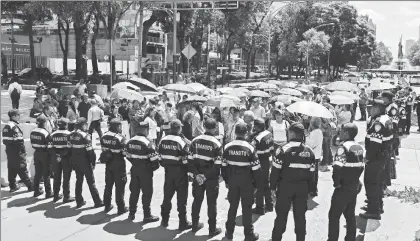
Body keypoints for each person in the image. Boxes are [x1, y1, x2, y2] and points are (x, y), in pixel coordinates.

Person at [270, 122, 315, 241]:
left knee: (281, 217)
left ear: (291, 133)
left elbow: (275, 171)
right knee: (300, 218)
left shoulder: (282, 150)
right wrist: (311, 191)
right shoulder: (309, 151)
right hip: (302, 189)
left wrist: (272, 188)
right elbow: (312, 174)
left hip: (285, 188)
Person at [222, 122, 261, 241]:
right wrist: (256, 185)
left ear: (235, 132)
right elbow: (256, 169)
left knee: (232, 207)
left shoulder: (227, 146)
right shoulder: (250, 148)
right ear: (246, 133)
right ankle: (249, 234)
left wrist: (227, 181)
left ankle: (229, 233)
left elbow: (223, 167)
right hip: (247, 182)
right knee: (247, 208)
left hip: (233, 181)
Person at [327, 123, 364, 241]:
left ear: (347, 134)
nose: (340, 134)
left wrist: (336, 183)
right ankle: (350, 238)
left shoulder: (343, 148)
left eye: (341, 131)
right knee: (350, 215)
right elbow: (361, 166)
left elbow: (337, 168)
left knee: (334, 215)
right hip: (354, 185)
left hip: (343, 187)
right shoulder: (359, 147)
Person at [187, 118, 223, 237]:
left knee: (197, 201)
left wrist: (198, 175)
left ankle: (194, 225)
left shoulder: (195, 141)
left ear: (204, 127)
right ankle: (212, 229)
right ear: (215, 128)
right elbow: (217, 166)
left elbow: (190, 161)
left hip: (198, 178)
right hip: (211, 179)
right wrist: (206, 176)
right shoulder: (217, 143)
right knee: (211, 204)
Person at [360, 99, 393, 220]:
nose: (369, 110)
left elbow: (374, 145)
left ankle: (373, 211)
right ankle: (378, 205)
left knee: (371, 182)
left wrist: (368, 158)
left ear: (378, 108)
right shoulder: (386, 118)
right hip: (383, 155)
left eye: (372, 108)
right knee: (378, 182)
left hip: (376, 157)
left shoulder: (378, 123)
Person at [158, 119, 192, 231]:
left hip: (168, 172)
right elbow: (187, 159)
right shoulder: (181, 142)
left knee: (167, 197)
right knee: (181, 200)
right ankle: (183, 222)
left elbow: (160, 158)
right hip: (180, 173)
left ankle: (164, 220)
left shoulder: (163, 140)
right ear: (179, 129)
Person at [125, 121, 160, 222]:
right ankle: (147, 215)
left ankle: (131, 214)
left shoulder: (130, 141)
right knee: (147, 193)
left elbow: (127, 156)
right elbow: (155, 161)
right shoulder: (148, 143)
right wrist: (150, 168)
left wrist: (136, 163)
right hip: (146, 171)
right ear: (145, 130)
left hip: (135, 169)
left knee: (134, 192)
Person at [68, 117, 104, 208]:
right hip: (85, 161)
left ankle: (79, 201)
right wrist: (93, 162)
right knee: (91, 182)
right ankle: (97, 201)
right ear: (83, 125)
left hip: (75, 161)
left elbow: (69, 150)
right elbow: (90, 151)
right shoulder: (85, 135)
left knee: (79, 181)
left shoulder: (70, 135)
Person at [100, 118, 128, 214]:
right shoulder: (121, 138)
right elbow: (125, 153)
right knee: (120, 186)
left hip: (108, 163)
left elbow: (103, 149)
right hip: (119, 163)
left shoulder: (104, 136)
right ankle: (121, 207)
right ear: (118, 126)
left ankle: (107, 205)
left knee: (108, 185)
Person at [2, 109, 33, 193]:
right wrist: (22, 152)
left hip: (9, 151)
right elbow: (19, 141)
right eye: (18, 115)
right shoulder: (14, 126)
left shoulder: (7, 126)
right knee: (22, 168)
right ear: (13, 116)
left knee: (11, 168)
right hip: (17, 151)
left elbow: (5, 141)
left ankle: (12, 186)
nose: (19, 116)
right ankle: (30, 186)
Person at [48, 118, 75, 203]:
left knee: (56, 177)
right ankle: (66, 196)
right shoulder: (70, 134)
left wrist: (57, 155)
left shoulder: (52, 134)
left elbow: (49, 148)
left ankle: (55, 196)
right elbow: (71, 148)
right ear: (66, 125)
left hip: (55, 158)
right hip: (66, 159)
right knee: (66, 178)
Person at [252, 119, 274, 215]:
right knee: (266, 184)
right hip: (267, 161)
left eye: (255, 126)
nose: (253, 127)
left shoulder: (257, 138)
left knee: (259, 185)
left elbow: (253, 152)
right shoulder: (269, 134)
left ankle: (259, 208)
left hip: (260, 162)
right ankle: (269, 205)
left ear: (258, 127)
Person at [30, 115, 53, 198]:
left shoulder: (33, 131)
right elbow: (49, 146)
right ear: (44, 123)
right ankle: (48, 192)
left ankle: (36, 191)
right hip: (45, 154)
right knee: (46, 174)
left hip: (36, 153)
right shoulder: (45, 133)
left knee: (38, 174)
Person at [306, 117, 323, 197]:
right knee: (314, 173)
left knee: (312, 173)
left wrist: (306, 136)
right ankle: (314, 189)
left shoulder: (315, 132)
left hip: (313, 156)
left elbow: (310, 144)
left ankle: (312, 190)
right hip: (316, 155)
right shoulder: (318, 131)